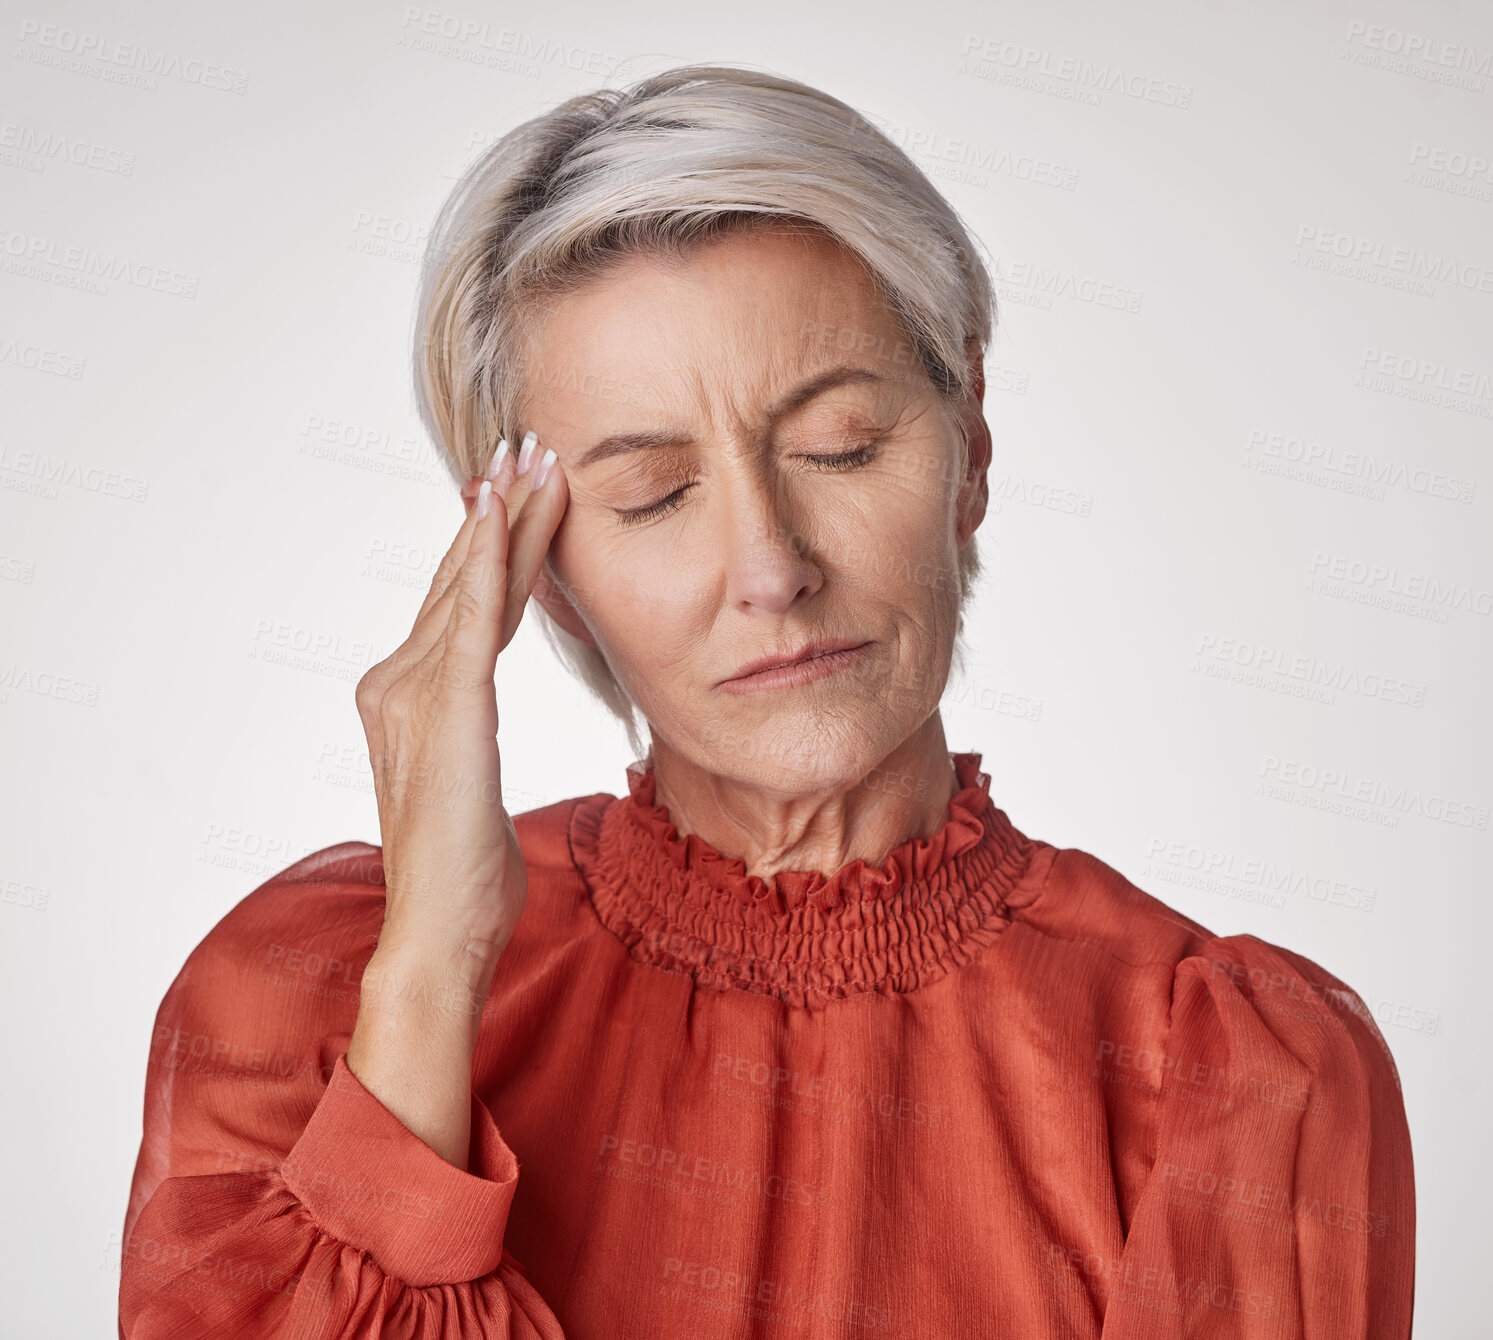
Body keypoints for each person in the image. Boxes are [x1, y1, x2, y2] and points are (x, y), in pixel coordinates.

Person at [118, 64, 1415, 1338]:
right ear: (533, 569)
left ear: (969, 446)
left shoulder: (1229, 1072)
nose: (773, 569)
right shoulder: (306, 1008)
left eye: (838, 447)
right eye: (652, 496)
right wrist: (430, 977)